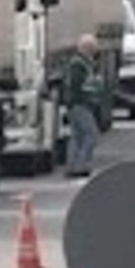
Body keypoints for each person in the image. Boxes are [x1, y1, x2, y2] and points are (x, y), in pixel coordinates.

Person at [56, 36, 105, 178]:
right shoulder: (78, 65)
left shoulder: (82, 64)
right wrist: (94, 89)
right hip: (80, 105)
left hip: (76, 105)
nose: (94, 52)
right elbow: (78, 86)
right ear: (87, 49)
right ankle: (82, 165)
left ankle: (72, 166)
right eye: (93, 48)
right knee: (91, 134)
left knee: (77, 136)